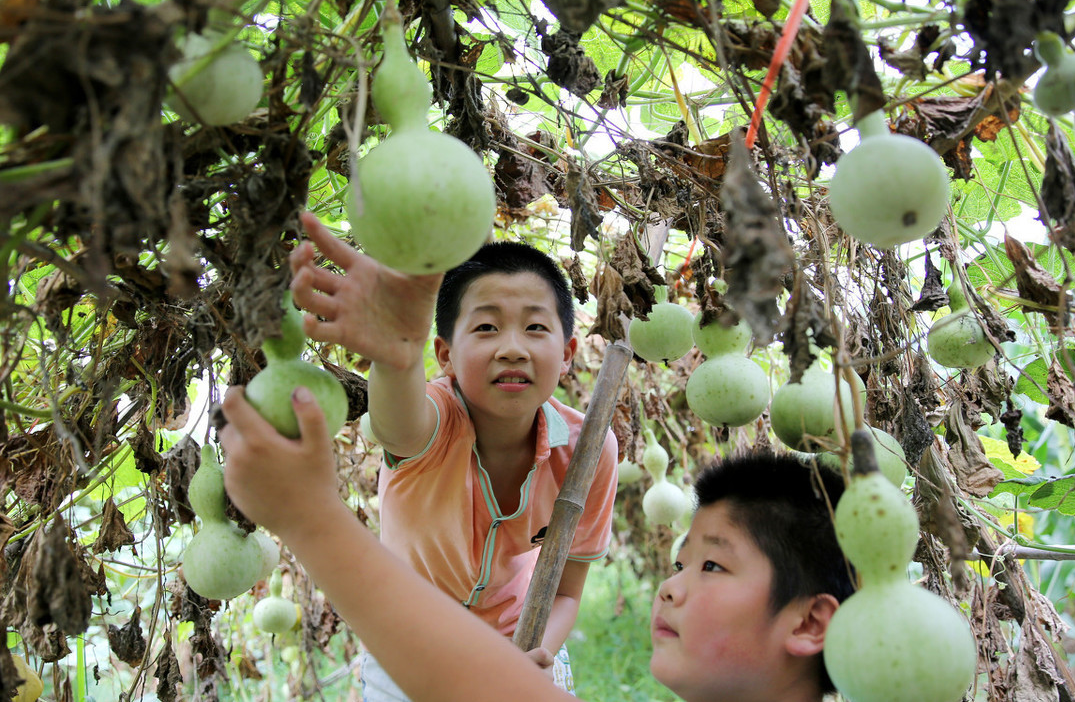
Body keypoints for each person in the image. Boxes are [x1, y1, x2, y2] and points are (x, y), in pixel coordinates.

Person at [219, 381, 855, 702]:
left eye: (712, 564)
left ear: (810, 621)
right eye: (681, 561)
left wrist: (308, 517)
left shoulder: (582, 447)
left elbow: (469, 685)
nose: (670, 585)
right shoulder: (435, 432)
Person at [283, 212, 619, 698]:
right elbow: (396, 425)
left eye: (534, 328)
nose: (512, 348)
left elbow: (566, 591)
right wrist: (395, 354)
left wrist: (525, 656)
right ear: (444, 354)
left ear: (567, 353)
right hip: (408, 650)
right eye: (486, 327)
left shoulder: (589, 451)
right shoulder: (433, 420)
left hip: (522, 641)